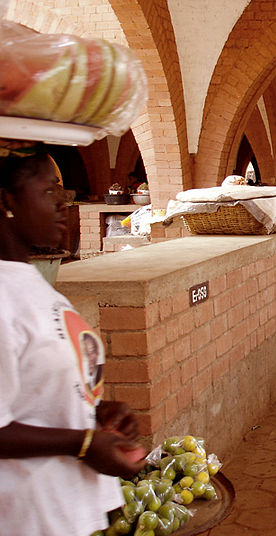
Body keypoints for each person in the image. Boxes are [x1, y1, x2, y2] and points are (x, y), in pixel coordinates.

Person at [0, 144, 145, 534]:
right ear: (6, 201)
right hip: (27, 518)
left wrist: (95, 413)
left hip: (68, 511)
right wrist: (82, 443)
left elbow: (34, 394)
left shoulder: (32, 282)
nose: (64, 203)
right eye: (49, 192)